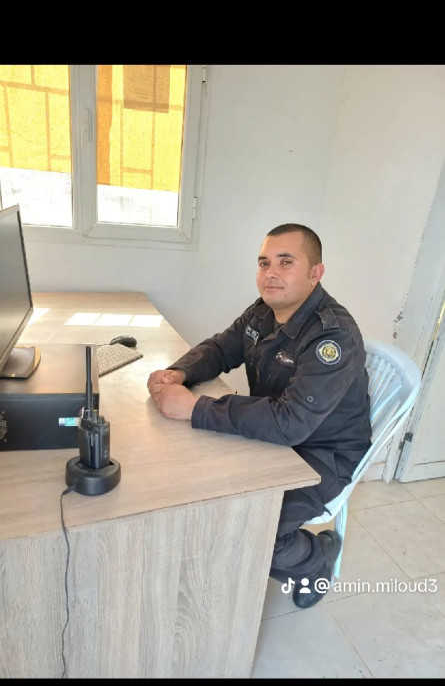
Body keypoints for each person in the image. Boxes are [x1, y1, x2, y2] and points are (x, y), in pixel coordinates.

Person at [147, 223, 372, 609]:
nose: (271, 273)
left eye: (286, 262)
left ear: (315, 273)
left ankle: (315, 558)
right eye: (264, 262)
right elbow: (222, 348)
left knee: (254, 528)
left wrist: (194, 407)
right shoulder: (264, 311)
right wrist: (180, 373)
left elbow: (291, 422)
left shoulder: (332, 337)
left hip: (323, 455)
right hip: (274, 436)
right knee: (205, 494)